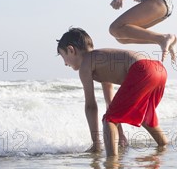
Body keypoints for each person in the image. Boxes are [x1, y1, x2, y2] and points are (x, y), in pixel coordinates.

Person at [57, 27, 168, 156]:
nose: (65, 64)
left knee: (108, 120)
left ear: (71, 50)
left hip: (142, 70)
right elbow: (112, 104)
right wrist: (120, 135)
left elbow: (91, 106)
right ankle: (164, 145)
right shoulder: (102, 59)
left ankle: (112, 164)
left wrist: (96, 144)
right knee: (145, 115)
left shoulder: (86, 65)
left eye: (63, 56)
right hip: (158, 70)